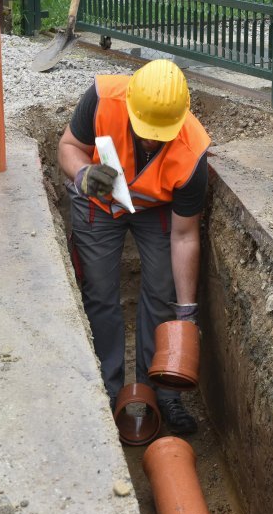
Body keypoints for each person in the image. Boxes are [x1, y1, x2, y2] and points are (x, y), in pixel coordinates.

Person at [58, 60, 210, 435]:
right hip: (97, 200)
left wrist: (187, 310)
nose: (150, 141)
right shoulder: (103, 98)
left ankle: (161, 394)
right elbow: (68, 147)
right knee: (99, 293)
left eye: (160, 135)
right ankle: (106, 393)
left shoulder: (192, 153)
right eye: (145, 131)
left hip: (155, 210)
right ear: (130, 106)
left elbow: (185, 236)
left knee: (162, 293)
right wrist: (84, 173)